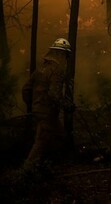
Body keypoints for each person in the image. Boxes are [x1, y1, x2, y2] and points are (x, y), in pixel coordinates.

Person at [22, 38, 72, 169]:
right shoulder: (57, 70)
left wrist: (33, 104)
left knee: (58, 136)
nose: (66, 59)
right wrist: (67, 105)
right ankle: (25, 171)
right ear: (61, 54)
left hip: (39, 110)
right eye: (66, 55)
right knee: (41, 141)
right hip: (48, 112)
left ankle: (48, 166)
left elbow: (26, 89)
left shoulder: (41, 68)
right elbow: (54, 94)